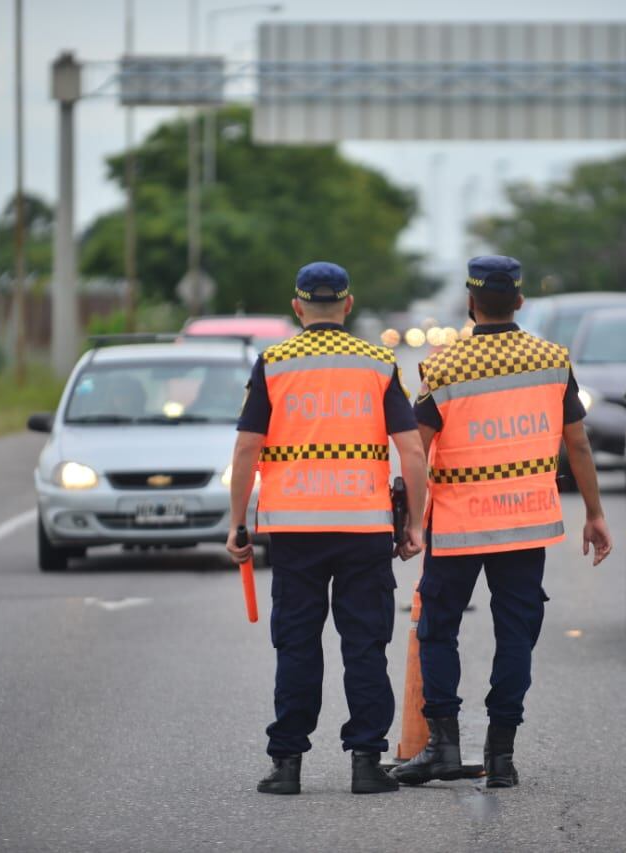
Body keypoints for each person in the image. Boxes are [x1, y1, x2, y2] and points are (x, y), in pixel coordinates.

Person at [391, 255, 613, 789]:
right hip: (525, 525)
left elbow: (417, 453)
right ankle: (502, 755)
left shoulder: (443, 366)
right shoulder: (551, 359)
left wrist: (410, 522)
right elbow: (576, 441)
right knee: (516, 635)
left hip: (459, 524)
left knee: (438, 629)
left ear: (470, 303)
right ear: (518, 300)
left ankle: (443, 748)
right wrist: (596, 513)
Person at [225, 261, 429, 796]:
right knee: (364, 644)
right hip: (363, 528)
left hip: (293, 530)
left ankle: (287, 764)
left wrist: (238, 523)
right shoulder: (378, 363)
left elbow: (247, 447)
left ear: (297, 307)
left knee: (297, 644)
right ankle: (366, 764)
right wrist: (415, 524)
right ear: (348, 304)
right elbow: (410, 449)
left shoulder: (273, 363)